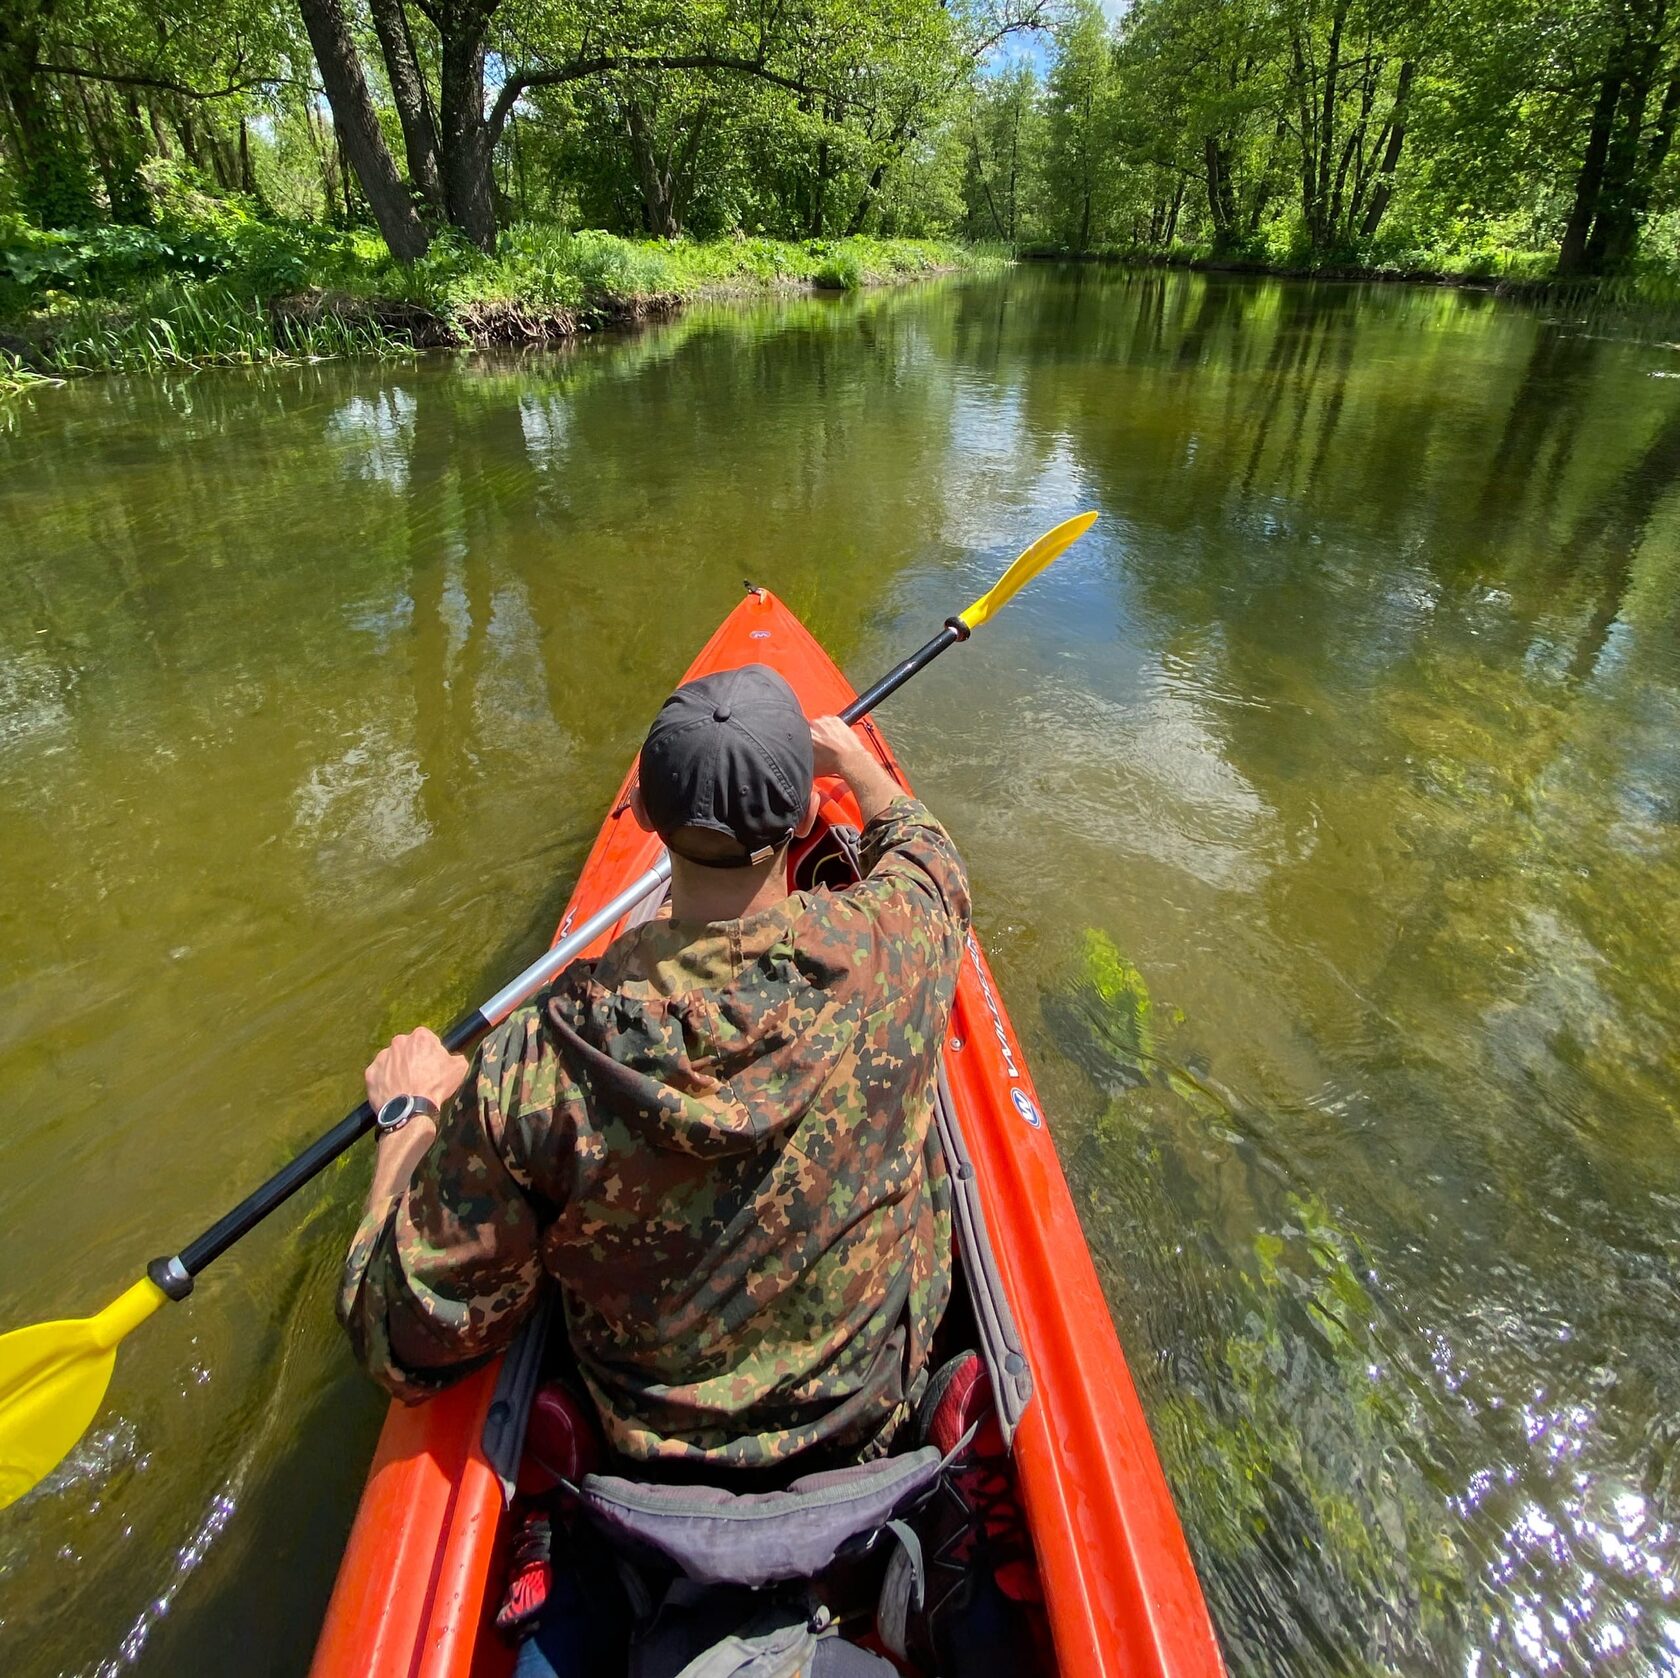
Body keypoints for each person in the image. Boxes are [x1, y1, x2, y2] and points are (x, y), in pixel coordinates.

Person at [338, 662, 972, 1481]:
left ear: (640, 813)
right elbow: (932, 861)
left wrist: (408, 1119)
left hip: (644, 1445)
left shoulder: (535, 1066)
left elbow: (394, 1336)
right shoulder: (896, 944)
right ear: (809, 815)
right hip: (868, 1409)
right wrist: (855, 762)